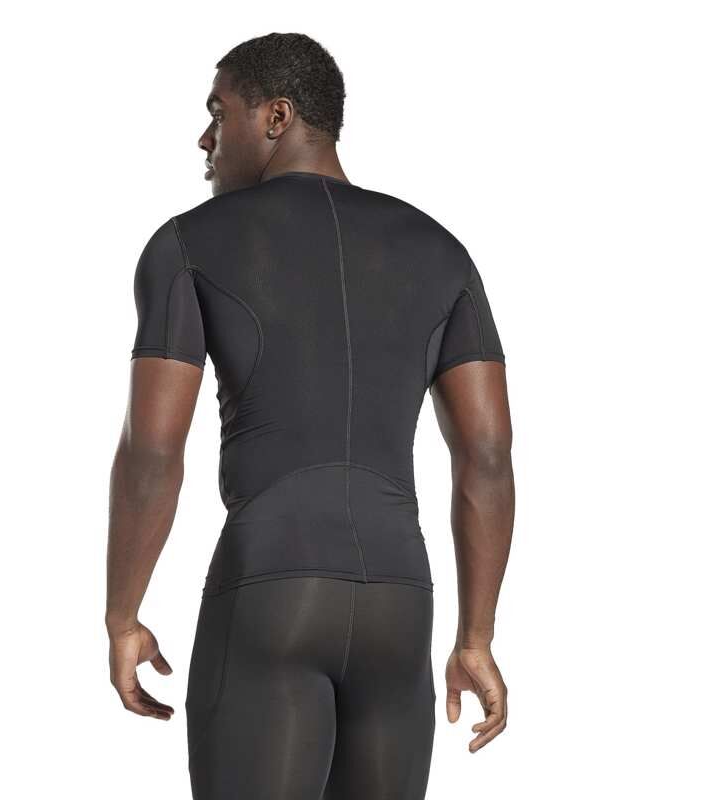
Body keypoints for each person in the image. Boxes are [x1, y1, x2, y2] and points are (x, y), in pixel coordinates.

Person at [106, 32, 515, 800]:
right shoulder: (442, 252)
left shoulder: (188, 244)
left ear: (276, 117)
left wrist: (123, 615)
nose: (205, 139)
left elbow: (153, 452)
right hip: (401, 607)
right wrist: (477, 636)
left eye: (218, 113)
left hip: (270, 596)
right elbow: (488, 456)